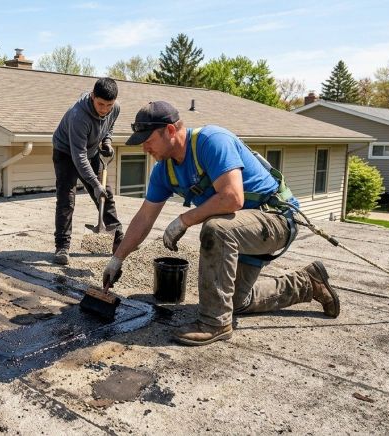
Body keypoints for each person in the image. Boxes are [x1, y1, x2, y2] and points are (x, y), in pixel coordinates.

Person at [102, 101, 340, 346]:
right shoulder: (164, 171)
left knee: (216, 228)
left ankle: (214, 323)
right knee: (236, 302)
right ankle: (308, 283)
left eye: (148, 139)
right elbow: (144, 218)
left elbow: (232, 197)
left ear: (171, 131)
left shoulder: (212, 141)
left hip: (275, 219)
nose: (144, 147)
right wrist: (117, 259)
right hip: (241, 229)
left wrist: (184, 220)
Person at [52, 77, 124, 265]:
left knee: (105, 194)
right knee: (66, 199)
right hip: (66, 153)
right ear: (92, 97)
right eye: (101, 104)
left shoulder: (114, 108)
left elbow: (110, 126)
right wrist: (94, 183)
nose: (104, 109)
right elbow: (78, 157)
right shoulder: (79, 116)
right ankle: (62, 247)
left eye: (109, 105)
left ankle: (119, 238)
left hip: (90, 152)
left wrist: (107, 140)